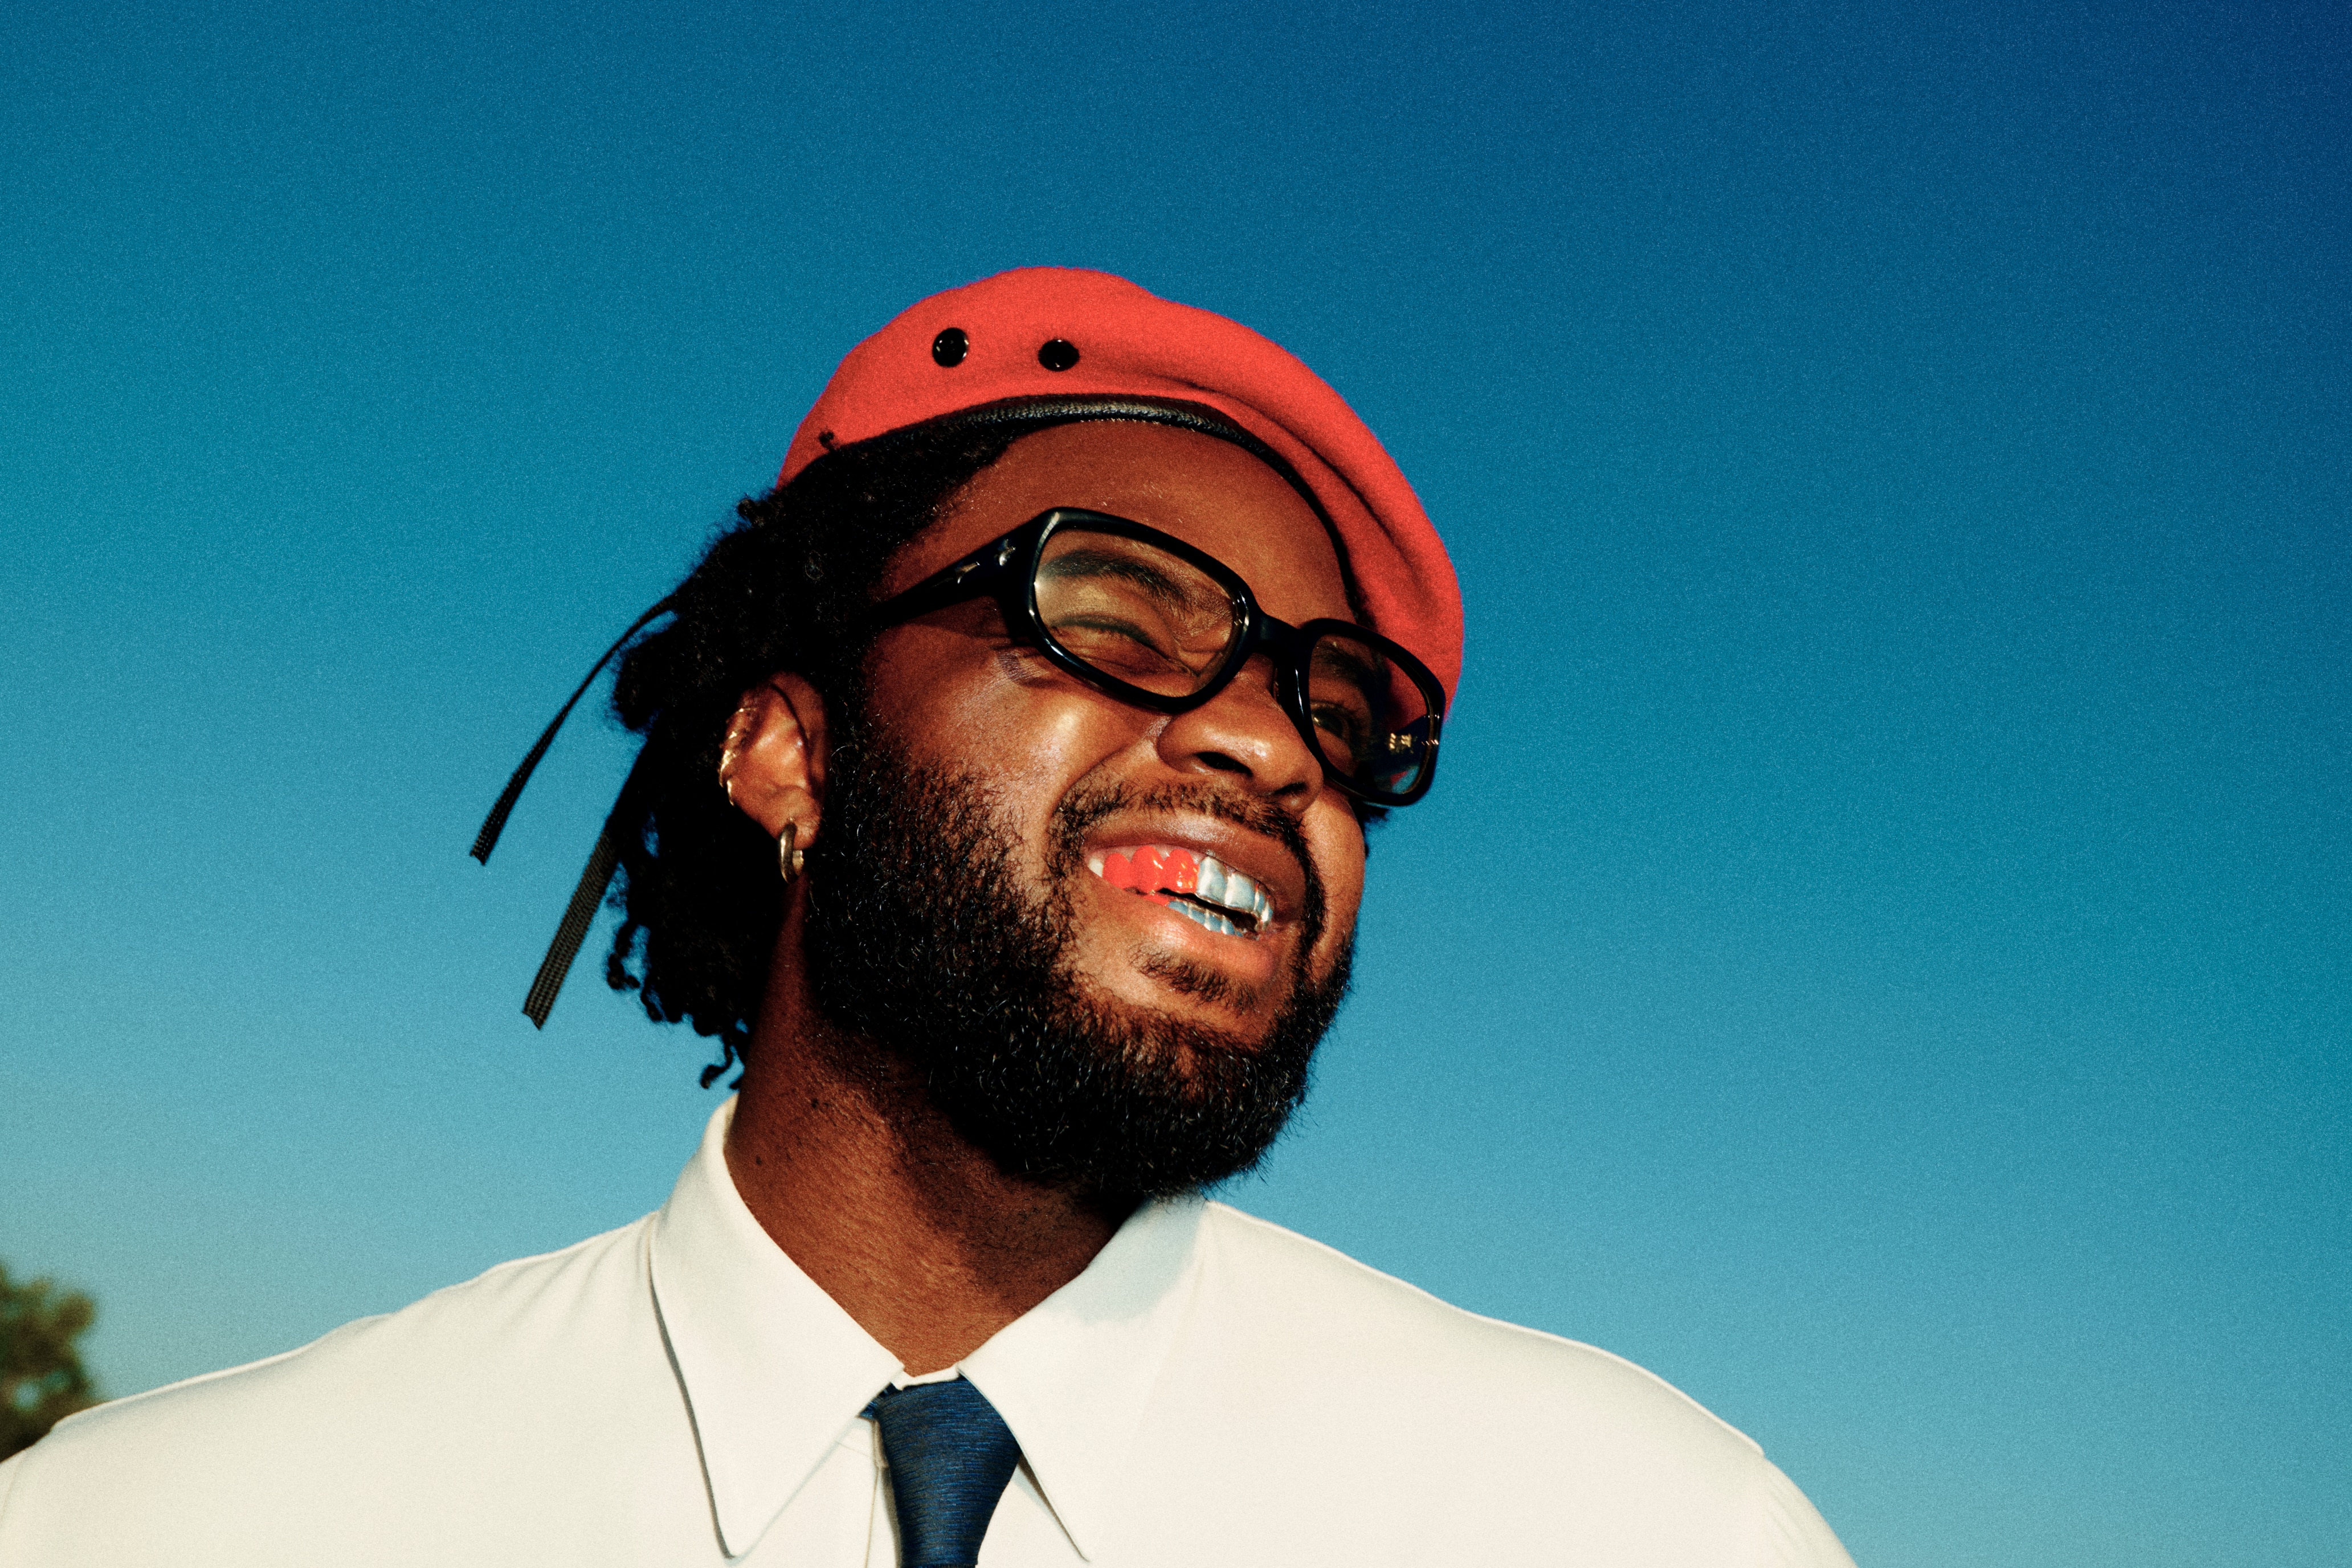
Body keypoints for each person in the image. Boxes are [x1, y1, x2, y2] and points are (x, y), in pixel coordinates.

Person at [0, 268, 1855, 1567]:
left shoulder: (1654, 1530)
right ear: (788, 752)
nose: (1267, 741)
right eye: (1115, 610)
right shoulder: (151, 1529)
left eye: (1341, 710)